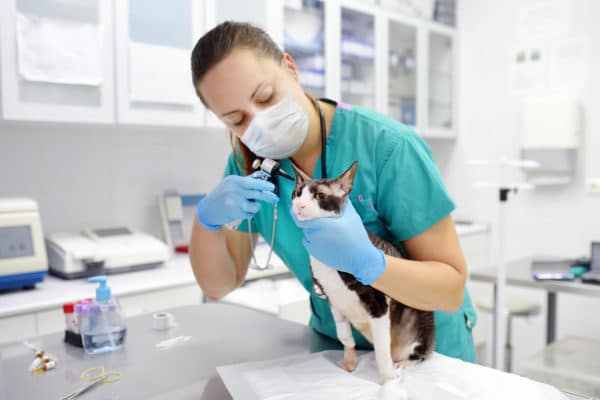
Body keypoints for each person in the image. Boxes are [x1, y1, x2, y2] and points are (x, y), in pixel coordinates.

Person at [188, 21, 477, 362]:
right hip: (341, 352)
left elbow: (450, 290)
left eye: (266, 96)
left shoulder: (387, 148)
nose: (259, 122)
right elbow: (219, 285)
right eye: (236, 120)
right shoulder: (247, 165)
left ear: (290, 68)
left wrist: (372, 264)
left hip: (424, 351)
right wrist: (206, 221)